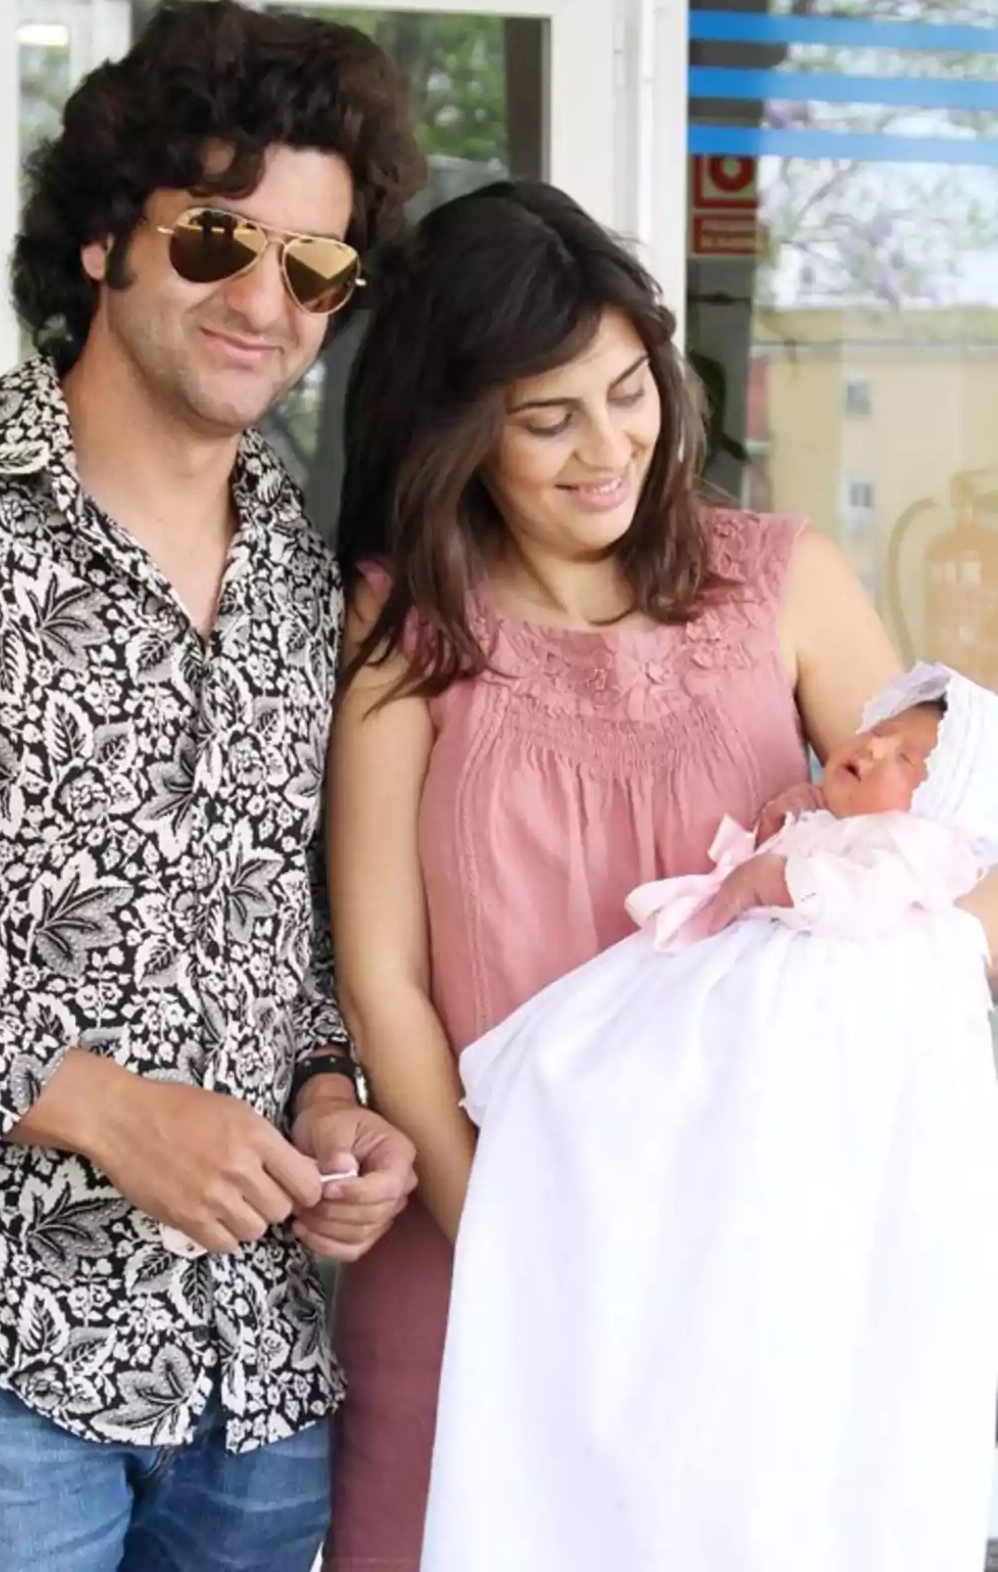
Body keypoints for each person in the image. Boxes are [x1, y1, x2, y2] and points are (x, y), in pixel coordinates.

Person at [0, 0, 425, 1572]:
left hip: (256, 1380)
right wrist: (100, 1110)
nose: (265, 299)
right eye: (218, 238)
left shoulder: (305, 580)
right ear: (101, 242)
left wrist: (333, 1101)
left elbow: (291, 922)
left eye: (315, 266)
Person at [324, 177, 910, 1571]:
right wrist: (509, 1247)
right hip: (477, 1254)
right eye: (548, 419)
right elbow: (384, 977)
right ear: (460, 428)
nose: (609, 449)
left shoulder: (785, 581)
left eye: (630, 391)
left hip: (742, 1270)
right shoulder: (406, 624)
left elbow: (938, 863)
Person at [424, 661, 998, 1572]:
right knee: (601, 1079)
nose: (879, 747)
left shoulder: (917, 856)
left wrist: (774, 879)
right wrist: (795, 819)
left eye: (914, 761)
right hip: (712, 987)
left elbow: (855, 896)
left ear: (948, 806)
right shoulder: (845, 825)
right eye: (883, 729)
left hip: (777, 1019)